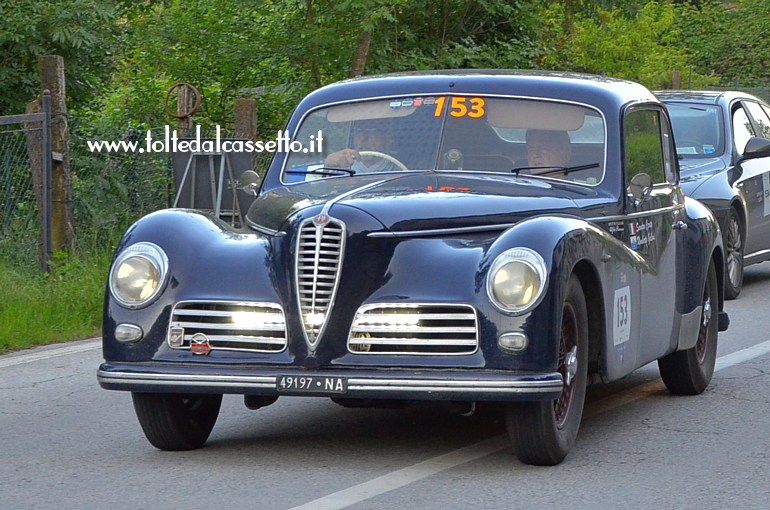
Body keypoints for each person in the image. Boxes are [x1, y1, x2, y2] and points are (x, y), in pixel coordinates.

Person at [325, 121, 401, 173]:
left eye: (371, 132)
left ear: (388, 139)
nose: (362, 138)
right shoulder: (342, 166)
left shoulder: (399, 169)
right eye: (358, 131)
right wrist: (327, 164)